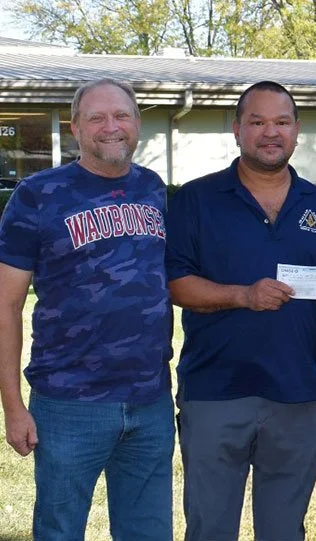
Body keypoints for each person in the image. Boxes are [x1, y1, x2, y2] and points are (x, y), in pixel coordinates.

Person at [165, 81, 316, 541]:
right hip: (215, 392)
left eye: (281, 122)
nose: (270, 132)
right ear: (237, 129)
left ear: (297, 130)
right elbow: (175, 284)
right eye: (257, 122)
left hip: (296, 396)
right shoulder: (195, 200)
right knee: (209, 528)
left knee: (284, 530)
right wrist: (244, 295)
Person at [0, 79, 174, 540]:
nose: (111, 127)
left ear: (137, 124)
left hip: (150, 400)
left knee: (149, 532)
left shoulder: (155, 190)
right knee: (59, 531)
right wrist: (13, 407)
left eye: (121, 116)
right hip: (67, 404)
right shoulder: (38, 196)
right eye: (97, 117)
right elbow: (6, 304)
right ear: (75, 127)